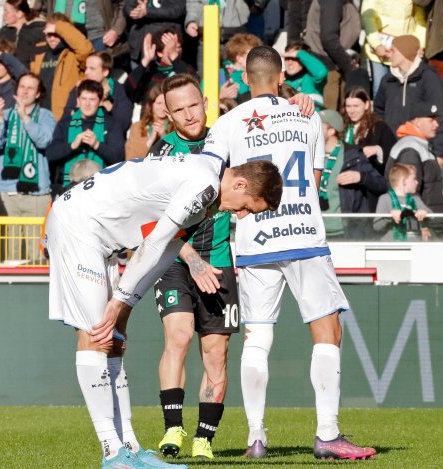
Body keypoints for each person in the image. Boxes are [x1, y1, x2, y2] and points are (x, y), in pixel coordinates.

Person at [46, 149, 282, 468]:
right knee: (95, 336)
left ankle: (129, 447)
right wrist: (119, 300)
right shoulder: (206, 185)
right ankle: (113, 453)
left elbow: (169, 247)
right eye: (249, 208)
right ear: (240, 184)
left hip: (99, 236)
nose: (241, 215)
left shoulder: (208, 184)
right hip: (79, 225)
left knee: (112, 340)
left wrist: (125, 304)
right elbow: (155, 242)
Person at [203, 45, 376, 460]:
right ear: (281, 77)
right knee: (327, 332)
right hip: (303, 235)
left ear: (246, 79)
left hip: (253, 238)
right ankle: (328, 434)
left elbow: (207, 177)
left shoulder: (227, 122)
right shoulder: (305, 113)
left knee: (258, 337)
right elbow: (314, 182)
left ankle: (256, 438)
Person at [148, 73, 236, 461]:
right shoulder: (161, 152)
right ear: (167, 113)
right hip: (174, 257)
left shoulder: (226, 144)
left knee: (215, 353)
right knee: (179, 336)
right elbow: (150, 219)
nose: (188, 114)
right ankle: (172, 429)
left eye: (192, 105)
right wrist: (191, 257)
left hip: (219, 260)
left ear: (205, 102)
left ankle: (204, 439)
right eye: (178, 109)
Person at [0, 73, 55, 262]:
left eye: (30, 88)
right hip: (8, 192)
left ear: (38, 93)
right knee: (11, 253)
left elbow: (44, 141)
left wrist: (26, 118)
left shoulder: (46, 116)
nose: (25, 91)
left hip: (37, 194)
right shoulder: (6, 114)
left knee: (37, 254)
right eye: (22, 86)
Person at [373, 35, 443, 160]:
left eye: (393, 51)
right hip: (390, 150)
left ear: (404, 52)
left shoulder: (428, 78)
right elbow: (378, 111)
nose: (388, 54)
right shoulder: (387, 80)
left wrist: (437, 153)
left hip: (419, 151)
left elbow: (437, 116)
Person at [318, 108, 387, 240]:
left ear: (332, 131)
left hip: (346, 232)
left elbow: (382, 185)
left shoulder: (353, 155)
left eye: (319, 126)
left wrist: (361, 177)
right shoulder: (311, 155)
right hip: (319, 232)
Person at [46, 79, 124, 189]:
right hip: (69, 187)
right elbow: (50, 154)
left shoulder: (111, 123)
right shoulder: (65, 123)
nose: (87, 103)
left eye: (92, 99)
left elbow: (119, 158)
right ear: (78, 100)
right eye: (84, 98)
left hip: (101, 187)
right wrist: (72, 145)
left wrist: (97, 145)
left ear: (100, 101)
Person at [386, 102, 443, 216]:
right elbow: (407, 193)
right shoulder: (410, 149)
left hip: (429, 221)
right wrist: (420, 226)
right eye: (431, 120)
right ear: (417, 122)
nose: (436, 124)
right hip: (421, 225)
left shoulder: (418, 146)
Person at [30, 14, 93, 121]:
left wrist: (60, 27)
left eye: (57, 34)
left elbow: (86, 50)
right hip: (39, 115)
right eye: (49, 35)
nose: (52, 39)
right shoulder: (39, 51)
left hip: (64, 117)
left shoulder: (73, 54)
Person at [359, 0, 427, 97]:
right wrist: (377, 45)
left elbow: (420, 21)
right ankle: (380, 112)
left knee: (406, 91)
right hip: (380, 52)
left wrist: (419, 45)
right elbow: (367, 17)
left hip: (405, 51)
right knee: (380, 90)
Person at [63, 51, 133, 134]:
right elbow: (66, 119)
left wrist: (106, 103)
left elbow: (123, 124)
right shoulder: (79, 88)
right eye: (86, 68)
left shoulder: (117, 90)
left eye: (92, 69)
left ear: (105, 72)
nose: (86, 72)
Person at [124, 26, 196, 105]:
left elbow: (194, 84)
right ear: (159, 53)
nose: (177, 51)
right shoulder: (152, 74)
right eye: (171, 47)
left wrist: (174, 56)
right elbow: (128, 90)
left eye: (178, 47)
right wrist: (145, 61)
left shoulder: (185, 68)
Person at [342, 86, 396, 184]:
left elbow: (393, 156)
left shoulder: (379, 127)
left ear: (366, 105)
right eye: (348, 106)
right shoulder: (343, 127)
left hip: (371, 184)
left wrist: (378, 150)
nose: (352, 111)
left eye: (356, 106)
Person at [373, 164, 429, 241]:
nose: (417, 182)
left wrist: (425, 213)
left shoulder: (416, 200)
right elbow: (377, 226)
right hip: (392, 248)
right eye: (414, 179)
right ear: (404, 182)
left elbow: (434, 218)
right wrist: (389, 216)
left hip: (414, 247)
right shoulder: (385, 199)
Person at [0, 0, 47, 68]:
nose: (3, 14)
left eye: (6, 11)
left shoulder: (37, 32)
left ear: (19, 13)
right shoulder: (4, 31)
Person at [124, 82, 169, 159]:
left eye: (166, 103)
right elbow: (130, 158)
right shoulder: (137, 127)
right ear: (151, 105)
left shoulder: (177, 126)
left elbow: (180, 156)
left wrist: (164, 137)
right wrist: (150, 140)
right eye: (159, 103)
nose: (163, 108)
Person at [282, 41, 329, 110]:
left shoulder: (311, 78)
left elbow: (322, 72)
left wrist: (300, 54)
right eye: (287, 58)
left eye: (295, 58)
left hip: (313, 119)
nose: (290, 63)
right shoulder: (282, 81)